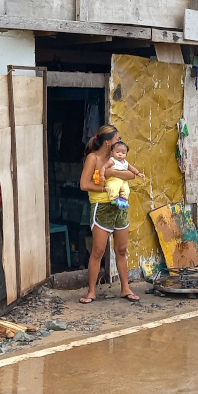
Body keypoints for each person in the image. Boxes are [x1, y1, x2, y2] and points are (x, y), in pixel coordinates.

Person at [79, 125, 144, 304]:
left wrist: (111, 173)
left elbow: (131, 175)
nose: (120, 142)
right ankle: (91, 291)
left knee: (121, 250)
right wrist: (105, 189)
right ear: (108, 141)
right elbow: (84, 185)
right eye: (117, 138)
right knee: (98, 251)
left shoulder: (118, 156)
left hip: (120, 207)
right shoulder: (93, 158)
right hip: (102, 207)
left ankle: (125, 288)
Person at [97, 141, 137, 209]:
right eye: (117, 152)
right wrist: (102, 175)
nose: (120, 154)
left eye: (123, 153)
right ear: (112, 153)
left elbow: (132, 170)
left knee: (126, 190)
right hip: (113, 179)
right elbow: (104, 167)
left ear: (126, 154)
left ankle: (123, 201)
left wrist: (138, 173)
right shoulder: (112, 161)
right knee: (112, 187)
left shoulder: (125, 162)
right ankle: (114, 199)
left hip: (123, 180)